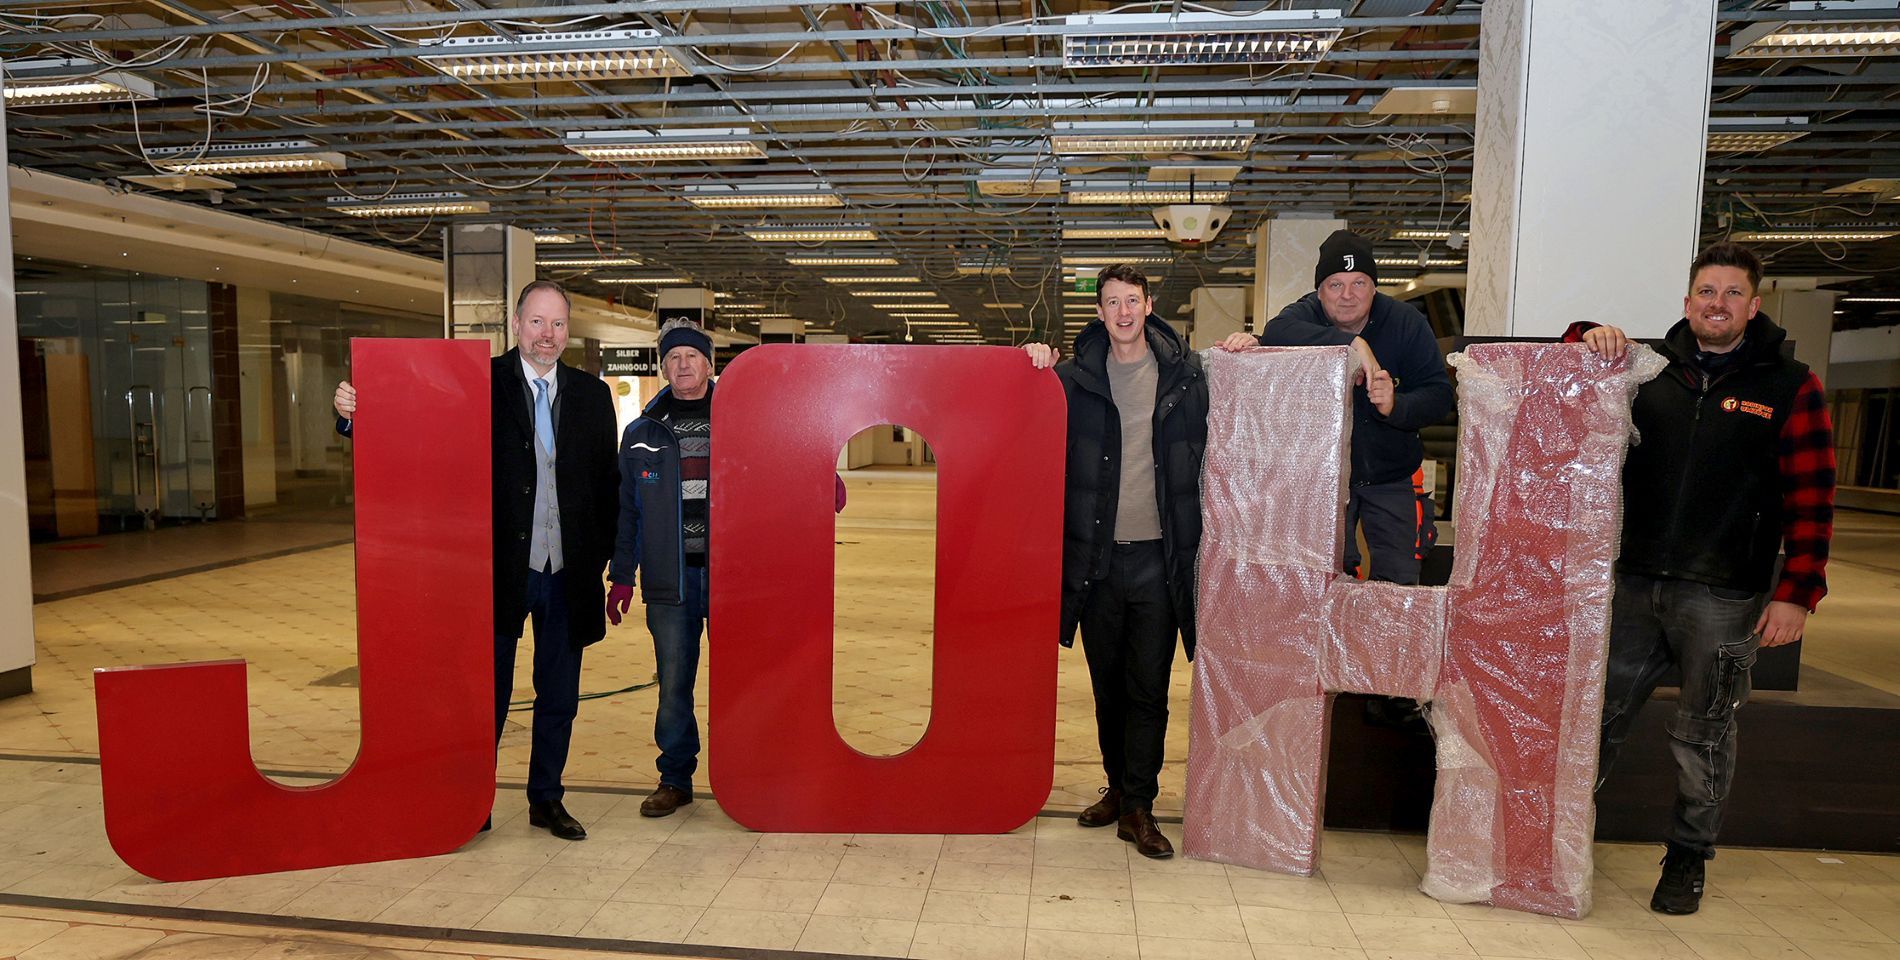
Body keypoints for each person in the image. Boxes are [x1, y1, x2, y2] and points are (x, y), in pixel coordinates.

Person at [1571, 242, 1835, 915]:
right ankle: (1557, 841)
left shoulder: (1790, 386)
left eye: (1733, 293)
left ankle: (1688, 857)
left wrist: (1797, 593)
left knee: (1704, 731)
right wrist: (1584, 333)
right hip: (1631, 585)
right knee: (1592, 720)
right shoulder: (1647, 369)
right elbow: (1565, 373)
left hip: (1723, 593)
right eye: (1707, 292)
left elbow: (1812, 499)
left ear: (1755, 304)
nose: (1719, 304)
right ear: (1688, 302)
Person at [333, 279, 619, 842]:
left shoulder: (592, 395)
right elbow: (417, 429)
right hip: (497, 573)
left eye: (558, 324)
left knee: (559, 697)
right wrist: (352, 415)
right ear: (516, 325)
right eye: (537, 322)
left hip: (568, 574)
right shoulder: (481, 383)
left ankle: (546, 798)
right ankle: (473, 798)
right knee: (485, 697)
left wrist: (601, 558)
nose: (547, 335)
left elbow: (607, 484)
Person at [1024, 264, 1208, 859]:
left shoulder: (1186, 376)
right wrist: (1030, 363)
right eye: (1112, 302)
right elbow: (1023, 416)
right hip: (1096, 561)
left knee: (1148, 689)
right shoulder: (1073, 379)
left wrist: (1247, 343)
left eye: (1133, 300)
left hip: (1160, 559)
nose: (1123, 311)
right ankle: (1119, 791)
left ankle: (1140, 806)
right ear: (1099, 311)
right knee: (1107, 689)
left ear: (1149, 306)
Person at [1218, 229, 1453, 585]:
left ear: (1374, 287)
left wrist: (1396, 405)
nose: (1347, 295)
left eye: (1359, 283)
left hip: (1390, 475)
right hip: (1322, 481)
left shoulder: (1406, 323)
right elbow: (1277, 331)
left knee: (1400, 581)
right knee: (1322, 580)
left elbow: (1439, 396)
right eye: (1335, 284)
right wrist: (1354, 344)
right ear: (1319, 291)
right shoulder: (1305, 315)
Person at [606, 320, 718, 818]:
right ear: (664, 367)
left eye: (692, 356)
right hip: (670, 581)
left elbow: (781, 468)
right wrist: (621, 575)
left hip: (731, 579)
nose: (683, 365)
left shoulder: (741, 418)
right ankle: (675, 777)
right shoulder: (641, 433)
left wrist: (821, 479)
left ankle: (749, 772)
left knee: (742, 679)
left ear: (709, 364)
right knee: (674, 683)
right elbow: (627, 512)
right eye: (673, 357)